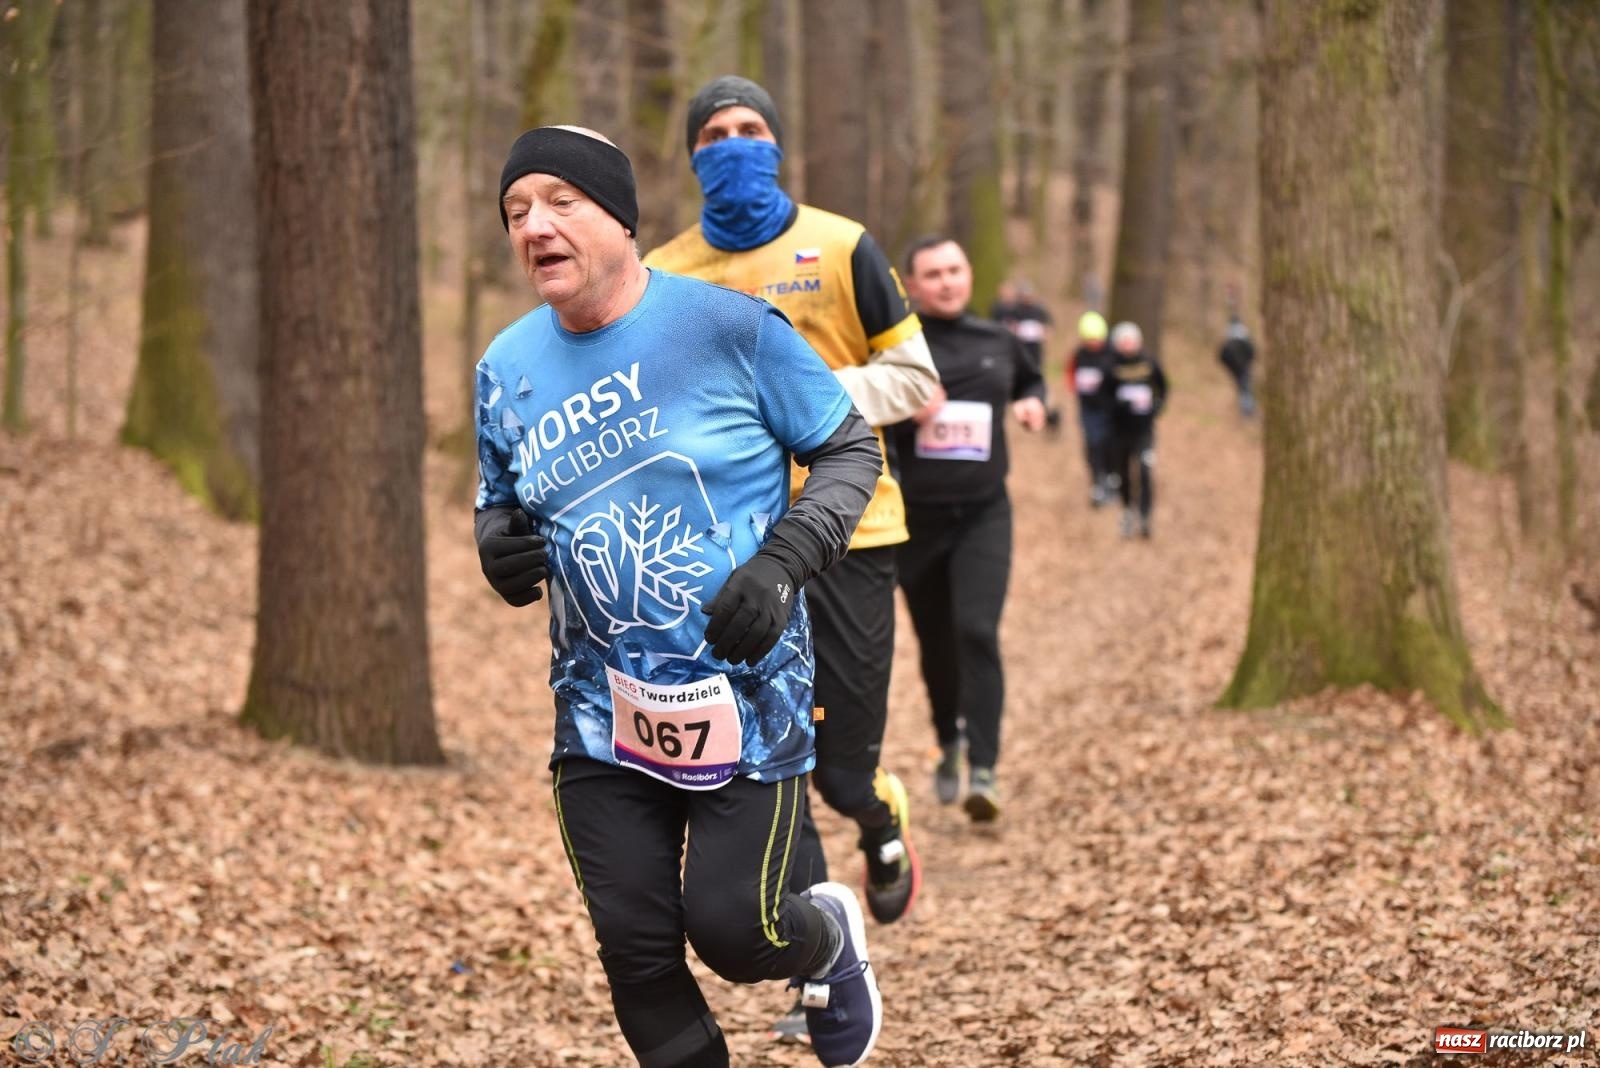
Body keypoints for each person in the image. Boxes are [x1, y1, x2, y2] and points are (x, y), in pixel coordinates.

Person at [474, 125, 889, 1068]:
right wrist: (496, 548)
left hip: (746, 694)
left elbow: (849, 451)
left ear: (619, 218)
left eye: (559, 202)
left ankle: (826, 940)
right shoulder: (505, 366)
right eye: (515, 211)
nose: (534, 224)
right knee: (637, 951)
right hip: (598, 714)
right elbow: (499, 505)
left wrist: (783, 561)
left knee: (736, 936)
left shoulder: (729, 330)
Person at [646, 77, 936, 936]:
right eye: (714, 134)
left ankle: (880, 823)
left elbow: (916, 376)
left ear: (775, 144)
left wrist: (797, 397)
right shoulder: (663, 271)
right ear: (694, 155)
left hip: (854, 526)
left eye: (749, 128)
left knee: (843, 771)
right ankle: (819, 956)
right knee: (775, 756)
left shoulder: (843, 247)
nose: (733, 143)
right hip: (731, 544)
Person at [891, 236, 1047, 821]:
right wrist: (906, 410)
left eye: (955, 269)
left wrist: (1033, 404)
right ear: (911, 284)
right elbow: (862, 413)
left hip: (984, 513)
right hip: (918, 521)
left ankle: (984, 766)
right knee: (935, 643)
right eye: (932, 273)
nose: (947, 282)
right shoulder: (901, 350)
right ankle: (948, 740)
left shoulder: (998, 340)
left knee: (976, 629)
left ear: (970, 274)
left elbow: (1031, 381)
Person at [1100, 321, 1168, 539]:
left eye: (1132, 342)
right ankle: (1128, 511)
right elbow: (1102, 397)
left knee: (1146, 472)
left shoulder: (1149, 363)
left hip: (1144, 431)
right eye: (1124, 342)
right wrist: (1120, 406)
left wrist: (1158, 406)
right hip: (1119, 431)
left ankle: (1146, 516)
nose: (1128, 346)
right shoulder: (1110, 366)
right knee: (1124, 473)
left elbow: (1164, 387)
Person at [1067, 311, 1115, 507]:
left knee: (1108, 445)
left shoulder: (1112, 355)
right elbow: (1070, 374)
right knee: (1092, 444)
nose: (1092, 343)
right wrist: (1075, 386)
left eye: (1095, 339)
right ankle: (1096, 482)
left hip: (1109, 410)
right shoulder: (1079, 355)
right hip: (1088, 409)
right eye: (1088, 339)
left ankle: (1111, 478)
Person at [1218, 314, 1256, 417]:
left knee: (1243, 389)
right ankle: (1248, 413)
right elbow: (1252, 352)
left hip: (1237, 369)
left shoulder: (1229, 339)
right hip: (1243, 368)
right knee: (1246, 389)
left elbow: (1222, 356)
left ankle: (1247, 412)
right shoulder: (1244, 337)